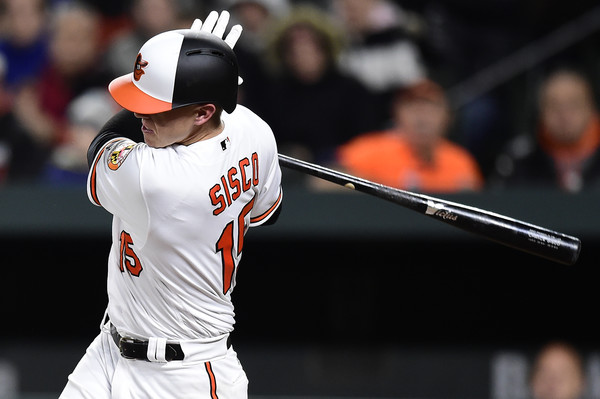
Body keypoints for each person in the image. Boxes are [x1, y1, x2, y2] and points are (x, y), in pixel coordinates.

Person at [59, 10, 283, 398]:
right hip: (110, 350)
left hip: (185, 377)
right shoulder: (253, 128)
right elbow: (269, 212)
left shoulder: (155, 178)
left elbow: (99, 150)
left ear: (203, 112)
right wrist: (196, 80)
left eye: (156, 107)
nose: (142, 115)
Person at [260, 4, 380, 170]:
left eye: (311, 46)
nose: (304, 53)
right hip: (291, 176)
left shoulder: (352, 90)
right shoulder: (273, 94)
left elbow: (370, 141)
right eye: (294, 49)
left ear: (326, 49)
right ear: (284, 55)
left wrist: (342, 158)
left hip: (347, 175)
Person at [335, 78, 484, 193]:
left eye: (430, 109)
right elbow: (324, 182)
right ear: (396, 115)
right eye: (413, 109)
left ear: (448, 117)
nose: (421, 119)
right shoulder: (370, 150)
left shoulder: (461, 162)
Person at [491, 66, 600, 192]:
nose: (564, 114)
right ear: (540, 112)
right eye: (554, 106)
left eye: (574, 104)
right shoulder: (518, 161)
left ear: (592, 109)